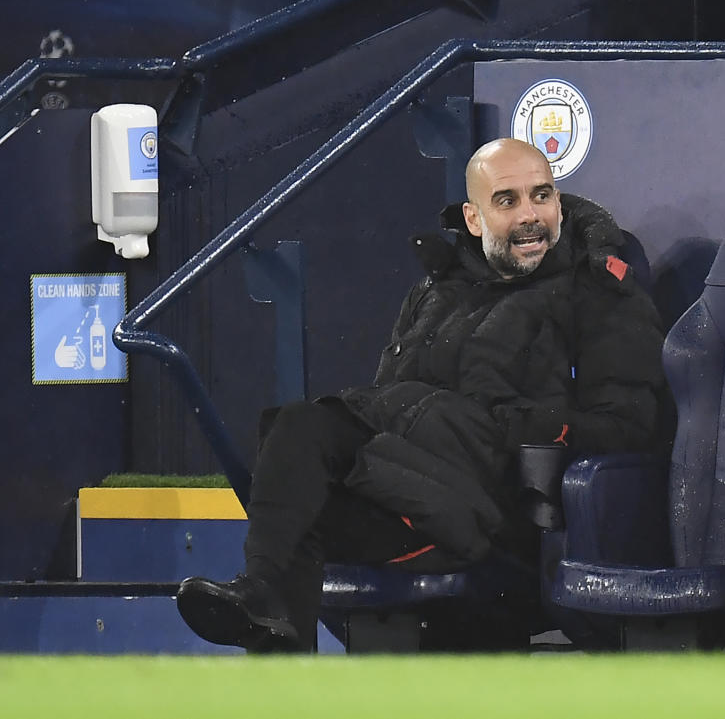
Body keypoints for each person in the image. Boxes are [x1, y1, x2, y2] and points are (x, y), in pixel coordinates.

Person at [176, 138, 668, 651]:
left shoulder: (598, 291)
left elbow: (630, 426)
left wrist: (520, 426)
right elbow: (392, 403)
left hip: (496, 517)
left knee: (304, 432)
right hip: (412, 493)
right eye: (507, 201)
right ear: (474, 220)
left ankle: (263, 595)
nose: (530, 216)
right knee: (300, 497)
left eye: (542, 196)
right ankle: (277, 643)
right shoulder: (435, 293)